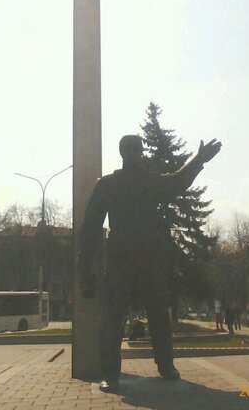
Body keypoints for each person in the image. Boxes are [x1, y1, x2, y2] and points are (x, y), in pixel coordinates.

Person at [78, 133, 222, 393]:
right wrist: (84, 268)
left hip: (149, 256)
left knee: (158, 311)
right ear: (122, 153)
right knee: (112, 315)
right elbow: (90, 228)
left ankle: (166, 365)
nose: (134, 154)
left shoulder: (150, 181)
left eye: (137, 149)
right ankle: (110, 373)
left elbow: (177, 182)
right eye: (130, 149)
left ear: (142, 152)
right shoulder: (107, 185)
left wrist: (199, 160)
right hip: (120, 257)